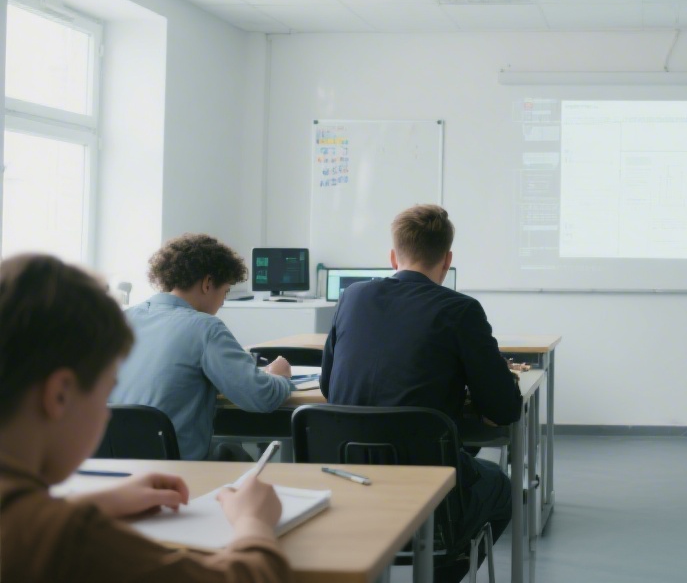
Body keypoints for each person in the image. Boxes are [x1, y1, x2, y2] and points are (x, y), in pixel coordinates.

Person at [0, 254, 289, 582]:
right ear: (60, 395)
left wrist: (98, 502)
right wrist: (254, 522)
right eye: (109, 387)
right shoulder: (70, 540)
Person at [321, 204, 521, 552]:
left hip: (348, 484)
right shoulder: (461, 310)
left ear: (393, 257)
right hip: (425, 486)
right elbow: (505, 410)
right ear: (447, 259)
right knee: (502, 488)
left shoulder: (351, 297)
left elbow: (328, 386)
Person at [111, 234, 291, 461]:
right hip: (175, 471)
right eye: (225, 292)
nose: (222, 303)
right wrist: (280, 377)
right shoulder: (206, 328)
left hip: (115, 465)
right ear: (207, 283)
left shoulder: (120, 320)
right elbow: (260, 397)